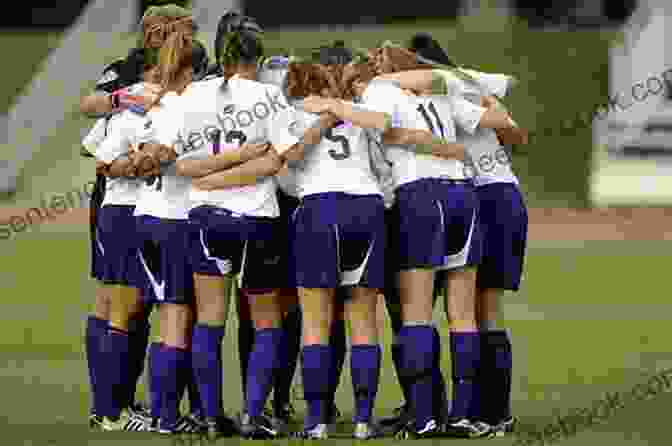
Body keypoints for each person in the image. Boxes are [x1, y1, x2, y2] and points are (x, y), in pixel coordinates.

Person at [153, 21, 335, 439]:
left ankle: (212, 417)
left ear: (222, 55)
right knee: (267, 323)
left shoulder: (192, 95)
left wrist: (212, 178)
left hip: (205, 217)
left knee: (210, 321)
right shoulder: (268, 95)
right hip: (257, 218)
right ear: (257, 57)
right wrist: (323, 122)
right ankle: (253, 414)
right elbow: (287, 156)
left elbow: (175, 161)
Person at [356, 43, 521, 439]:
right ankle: (464, 415)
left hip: (420, 195)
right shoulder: (443, 96)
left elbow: (375, 127)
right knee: (464, 315)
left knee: (416, 313)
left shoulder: (379, 90)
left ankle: (427, 416)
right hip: (463, 194)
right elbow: (502, 121)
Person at [79, 3, 197, 430]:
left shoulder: (192, 72)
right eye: (178, 30)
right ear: (154, 32)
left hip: (161, 205)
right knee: (121, 302)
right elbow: (91, 119)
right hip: (125, 204)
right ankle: (109, 406)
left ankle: (126, 406)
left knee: (145, 304)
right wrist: (123, 100)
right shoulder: (128, 74)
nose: (182, 37)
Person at [404, 33, 527, 436]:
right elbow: (515, 131)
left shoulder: (442, 90)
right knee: (479, 311)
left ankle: (476, 412)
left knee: (472, 310)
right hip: (499, 192)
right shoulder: (463, 83)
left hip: (482, 195)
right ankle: (491, 413)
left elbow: (510, 129)